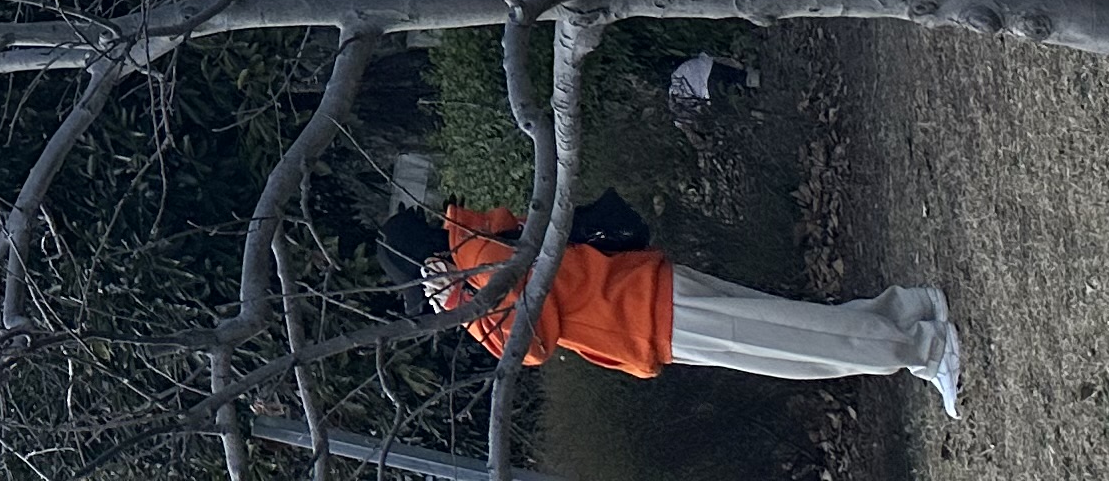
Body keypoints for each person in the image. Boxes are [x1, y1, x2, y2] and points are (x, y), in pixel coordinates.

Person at [377, 156, 962, 417]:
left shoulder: (479, 266)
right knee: (787, 328)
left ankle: (926, 347)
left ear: (429, 265)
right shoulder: (481, 244)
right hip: (647, 299)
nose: (433, 303)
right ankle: (904, 314)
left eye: (425, 290)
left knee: (793, 346)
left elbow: (529, 347)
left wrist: (467, 306)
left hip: (646, 314)